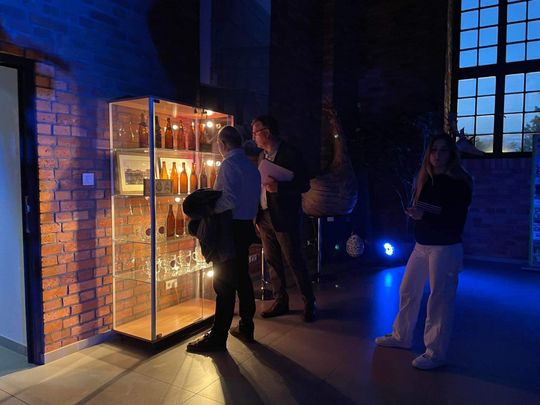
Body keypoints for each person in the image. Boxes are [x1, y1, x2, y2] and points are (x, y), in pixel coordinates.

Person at [375, 134, 473, 370]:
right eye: (434, 150)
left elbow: (455, 219)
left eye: (443, 150)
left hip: (445, 246)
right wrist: (416, 214)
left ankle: (435, 353)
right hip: (422, 244)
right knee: (408, 290)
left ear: (451, 154)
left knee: (440, 298)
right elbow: (428, 210)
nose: (437, 155)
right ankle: (402, 336)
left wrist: (424, 216)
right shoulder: (425, 179)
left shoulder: (459, 183)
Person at [187, 126, 261, 353]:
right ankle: (246, 326)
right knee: (243, 279)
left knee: (224, 283)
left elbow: (228, 200)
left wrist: (205, 211)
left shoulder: (229, 165)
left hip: (229, 229)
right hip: (245, 226)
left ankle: (218, 337)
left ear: (223, 144)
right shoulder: (251, 166)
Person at [251, 115, 317, 322]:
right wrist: (256, 216)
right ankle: (280, 300)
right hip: (264, 215)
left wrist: (280, 187)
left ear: (267, 132)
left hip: (285, 216)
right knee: (272, 261)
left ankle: (309, 302)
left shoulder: (290, 153)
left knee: (294, 259)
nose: (253, 137)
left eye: (255, 132)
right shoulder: (261, 156)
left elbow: (304, 184)